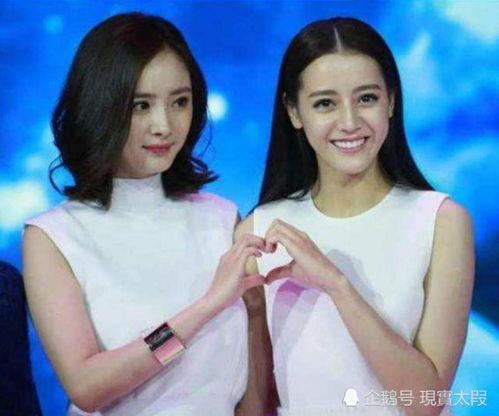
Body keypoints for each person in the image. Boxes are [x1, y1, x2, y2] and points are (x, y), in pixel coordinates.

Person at [22, 12, 268, 415]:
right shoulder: (54, 237)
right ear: (100, 106)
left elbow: (251, 394)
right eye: (141, 105)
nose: (164, 125)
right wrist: (206, 307)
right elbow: (88, 387)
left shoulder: (223, 219)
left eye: (180, 102)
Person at [237, 17, 474, 416]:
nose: (349, 122)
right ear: (294, 111)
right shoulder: (260, 230)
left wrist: (336, 285)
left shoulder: (441, 222)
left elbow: (426, 402)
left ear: (391, 101)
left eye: (366, 98)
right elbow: (258, 399)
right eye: (325, 103)